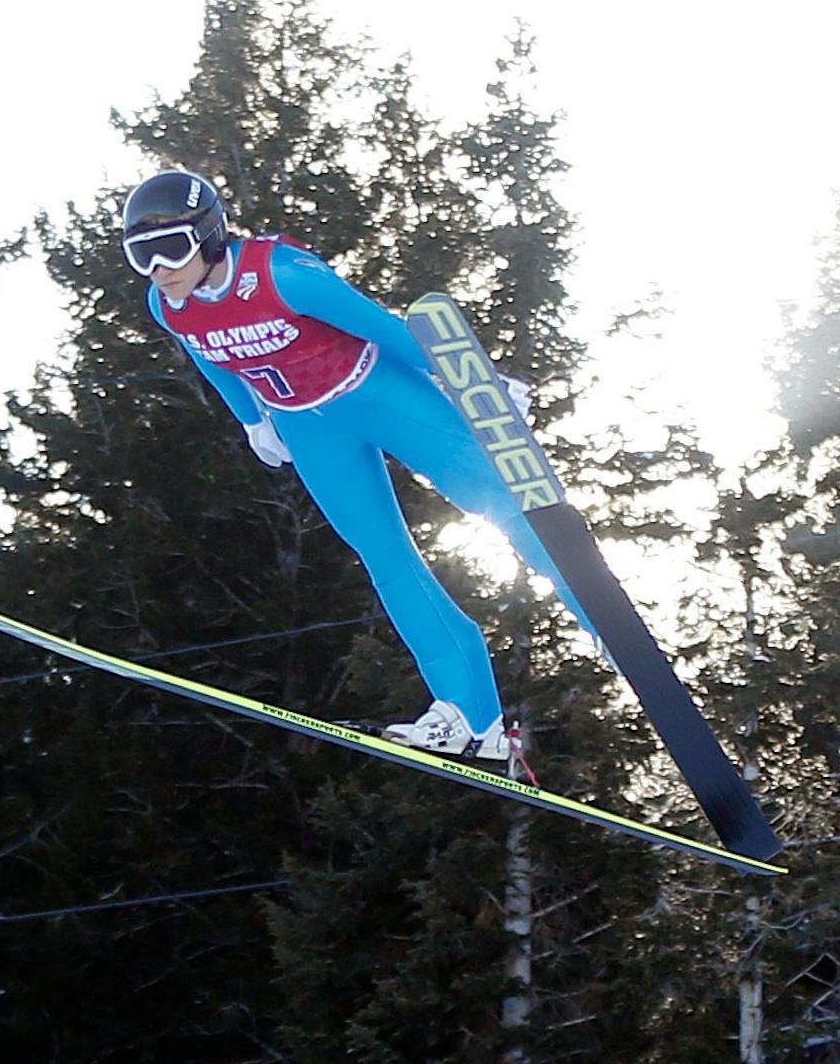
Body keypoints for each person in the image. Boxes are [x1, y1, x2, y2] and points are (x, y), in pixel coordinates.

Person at [122, 168, 600, 764]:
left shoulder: (282, 275)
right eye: (141, 256)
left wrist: (468, 382)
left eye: (171, 248)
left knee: (500, 504)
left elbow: (383, 327)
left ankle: (600, 616)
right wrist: (252, 420)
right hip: (307, 425)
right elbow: (214, 358)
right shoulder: (169, 305)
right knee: (385, 557)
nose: (159, 268)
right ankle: (468, 715)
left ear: (210, 235)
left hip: (380, 392)